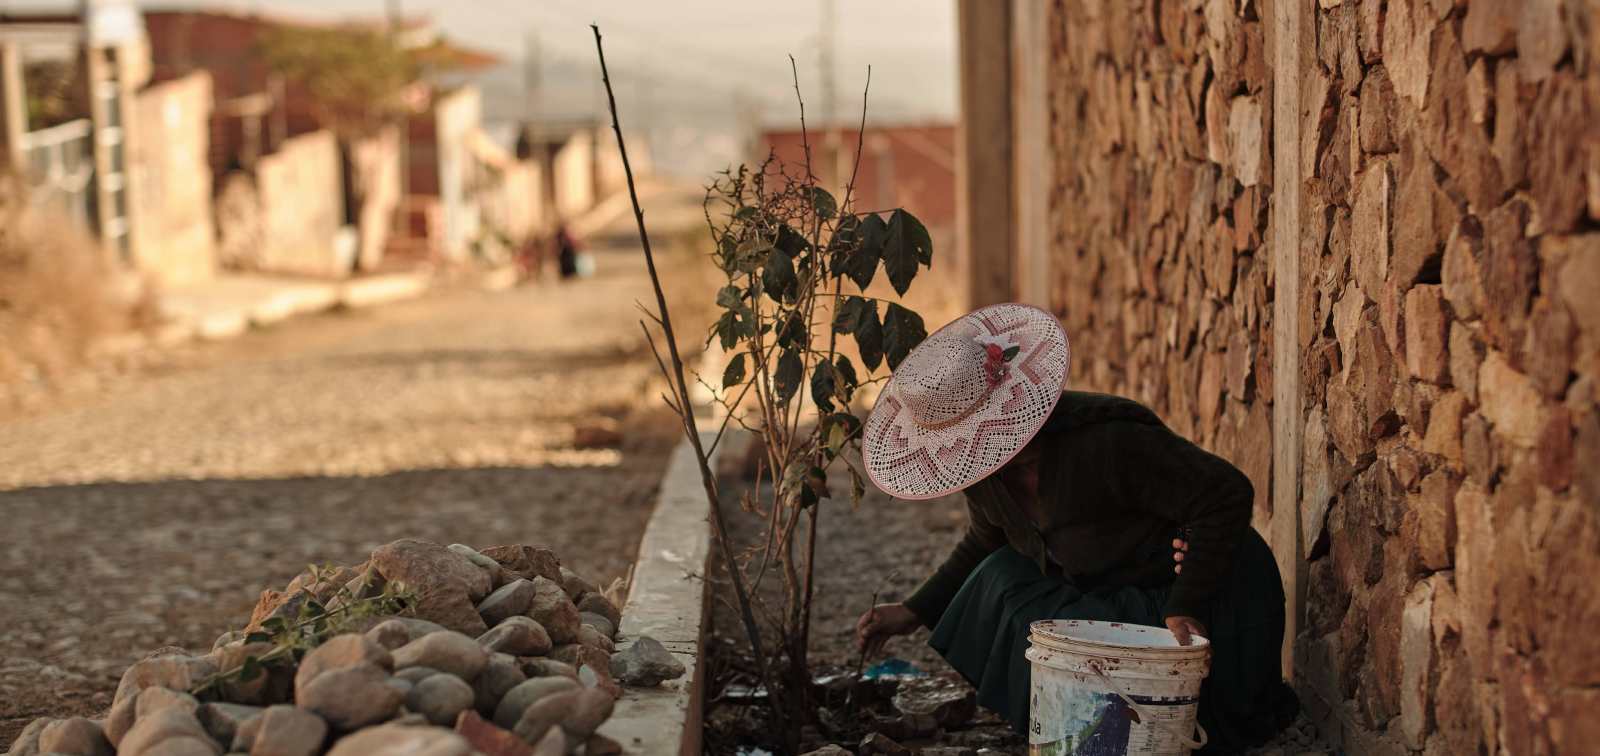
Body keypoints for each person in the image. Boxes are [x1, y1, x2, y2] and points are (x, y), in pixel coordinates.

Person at [854, 303, 1296, 754]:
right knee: (999, 578)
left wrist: (1188, 601)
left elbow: (1226, 493)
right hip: (1120, 595)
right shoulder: (981, 473)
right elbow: (987, 540)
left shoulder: (1107, 441)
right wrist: (912, 610)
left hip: (1204, 601)